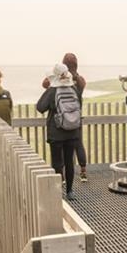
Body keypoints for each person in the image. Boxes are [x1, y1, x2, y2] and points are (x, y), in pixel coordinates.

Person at [37, 63, 83, 201]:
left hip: (56, 132)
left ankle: (57, 193)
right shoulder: (74, 89)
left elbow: (40, 107)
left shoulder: (52, 91)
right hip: (72, 131)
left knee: (57, 163)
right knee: (69, 162)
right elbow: (79, 105)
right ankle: (70, 191)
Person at [43, 53, 88, 182]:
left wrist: (55, 75)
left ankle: (61, 176)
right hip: (76, 117)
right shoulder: (80, 80)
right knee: (79, 144)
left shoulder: (60, 79)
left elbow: (45, 84)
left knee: (61, 148)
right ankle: (83, 172)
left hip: (61, 117)